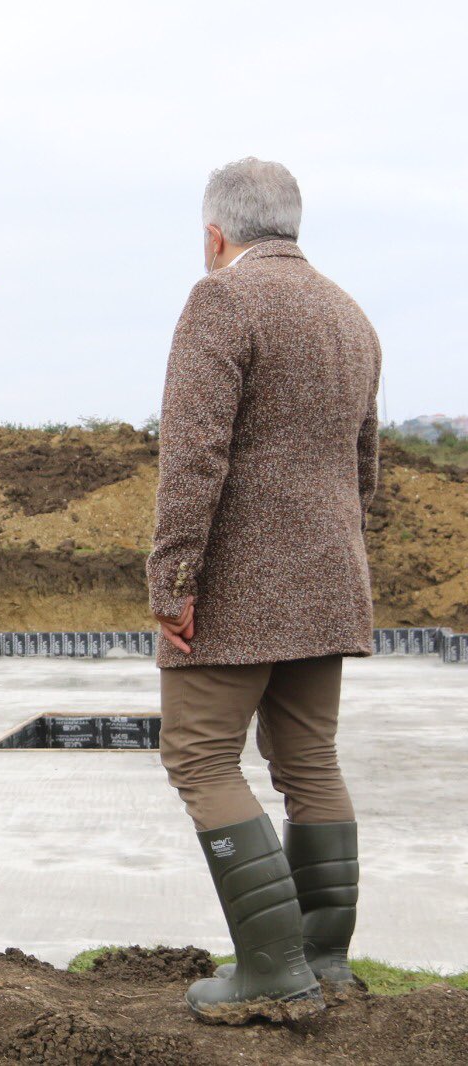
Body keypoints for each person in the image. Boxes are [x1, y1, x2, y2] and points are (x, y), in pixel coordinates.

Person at [149, 158, 381, 1023]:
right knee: (310, 763)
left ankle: (272, 971)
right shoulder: (348, 312)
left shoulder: (222, 300)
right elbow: (365, 470)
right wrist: (335, 560)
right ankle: (323, 962)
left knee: (201, 758)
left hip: (237, 588)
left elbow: (193, 454)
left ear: (217, 234)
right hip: (331, 580)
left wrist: (173, 580)